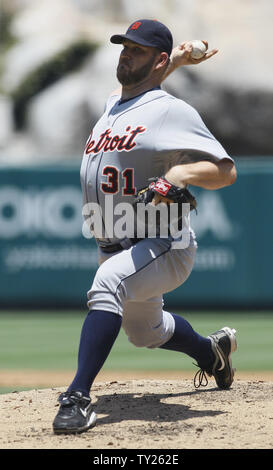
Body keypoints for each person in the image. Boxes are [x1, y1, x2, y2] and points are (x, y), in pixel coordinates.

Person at [53, 19, 237, 435]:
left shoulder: (174, 110)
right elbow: (141, 89)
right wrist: (176, 59)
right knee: (145, 332)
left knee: (107, 285)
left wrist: (181, 175)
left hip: (162, 242)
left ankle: (77, 398)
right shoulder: (113, 105)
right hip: (114, 239)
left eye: (136, 49)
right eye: (124, 46)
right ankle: (212, 353)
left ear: (154, 59)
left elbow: (226, 171)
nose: (125, 54)